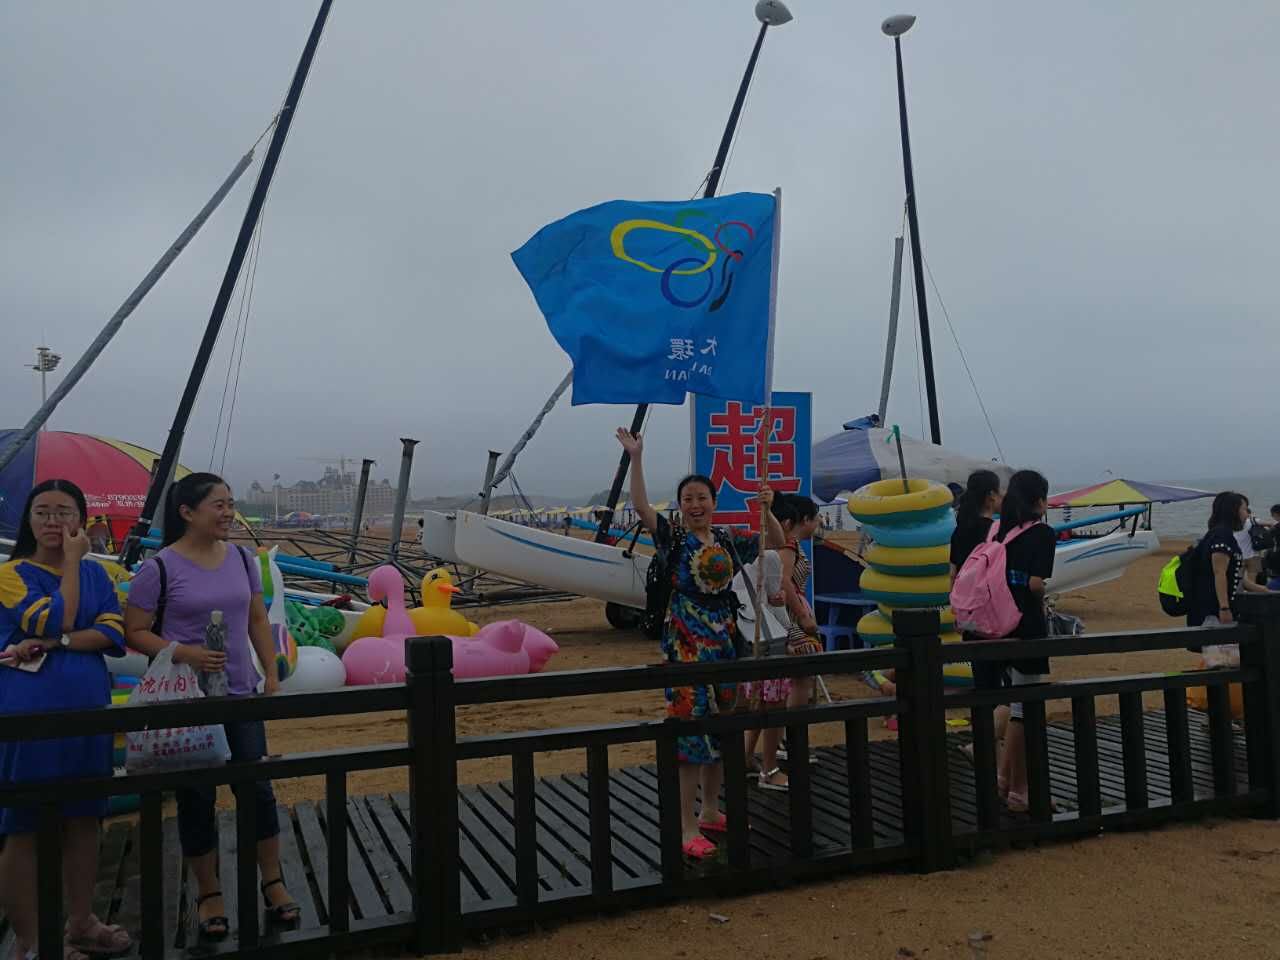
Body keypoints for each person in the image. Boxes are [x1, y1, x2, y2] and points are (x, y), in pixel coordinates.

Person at [123, 473, 300, 939]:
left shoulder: (242, 559)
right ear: (187, 512)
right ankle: (209, 892)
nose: (228, 513)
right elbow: (134, 631)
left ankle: (273, 881)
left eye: (230, 503)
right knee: (196, 796)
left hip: (240, 694)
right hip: (188, 701)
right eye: (218, 505)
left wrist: (271, 670)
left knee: (257, 789)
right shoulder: (159, 568)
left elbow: (257, 618)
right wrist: (185, 652)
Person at [615, 427, 784, 861]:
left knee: (722, 730)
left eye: (702, 497)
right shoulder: (673, 537)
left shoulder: (726, 539)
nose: (695, 504)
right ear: (680, 506)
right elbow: (641, 506)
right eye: (688, 498)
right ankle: (685, 825)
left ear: (713, 502)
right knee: (690, 733)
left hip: (724, 640)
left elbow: (777, 544)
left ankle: (710, 810)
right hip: (686, 644)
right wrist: (636, 458)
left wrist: (767, 509)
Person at [0, 480, 133, 960]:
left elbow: (113, 631)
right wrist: (73, 571)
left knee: (85, 817)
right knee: (24, 826)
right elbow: (58, 617)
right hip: (29, 712)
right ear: (28, 520)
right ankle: (32, 940)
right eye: (42, 512)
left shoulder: (100, 573)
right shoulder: (11, 574)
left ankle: (81, 921)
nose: (53, 522)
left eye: (64, 512)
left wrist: (58, 641)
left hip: (88, 706)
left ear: (81, 519)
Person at [987, 470, 1057, 814]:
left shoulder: (998, 531)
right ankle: (1019, 789)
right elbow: (1034, 584)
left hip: (996, 623)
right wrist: (1043, 599)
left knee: (1016, 702)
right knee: (1024, 710)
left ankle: (1004, 780)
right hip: (1026, 625)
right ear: (1039, 500)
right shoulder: (1042, 533)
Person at [949, 470, 1011, 768]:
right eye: (998, 492)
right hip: (992, 617)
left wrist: (959, 609)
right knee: (1007, 687)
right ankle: (985, 744)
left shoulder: (960, 530)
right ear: (990, 497)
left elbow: (953, 574)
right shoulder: (995, 531)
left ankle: (989, 749)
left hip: (968, 615)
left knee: (984, 684)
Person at [1188, 492, 1272, 628]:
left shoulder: (1222, 533)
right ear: (1233, 511)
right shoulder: (1221, 535)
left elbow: (1232, 575)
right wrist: (1224, 608)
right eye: (1244, 509)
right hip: (1212, 612)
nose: (1247, 515)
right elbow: (1219, 573)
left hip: (1217, 608)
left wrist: (1262, 590)